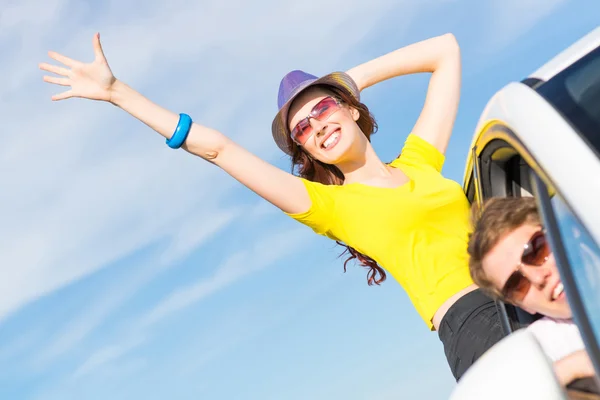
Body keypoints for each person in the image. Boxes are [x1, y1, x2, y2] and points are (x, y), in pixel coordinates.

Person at [39, 32, 504, 380]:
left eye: (322, 110)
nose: (315, 127)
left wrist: (344, 82)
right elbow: (218, 149)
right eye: (301, 130)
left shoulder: (420, 162)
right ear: (307, 153)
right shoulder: (329, 206)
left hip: (526, 279)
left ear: (352, 108)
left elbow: (445, 52)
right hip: (475, 323)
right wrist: (119, 92)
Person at [468, 196, 597, 387]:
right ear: (521, 305)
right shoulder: (541, 348)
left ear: (563, 231)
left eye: (536, 251)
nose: (538, 279)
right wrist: (570, 368)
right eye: (516, 284)